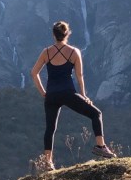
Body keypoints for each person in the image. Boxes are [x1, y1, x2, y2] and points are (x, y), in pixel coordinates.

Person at [30, 20, 115, 170]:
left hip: (51, 95)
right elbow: (79, 75)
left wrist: (43, 92)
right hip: (68, 93)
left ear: (53, 35)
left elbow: (34, 73)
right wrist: (84, 95)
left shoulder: (46, 52)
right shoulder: (74, 52)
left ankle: (48, 162)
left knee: (50, 128)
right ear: (67, 33)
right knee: (96, 114)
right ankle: (100, 146)